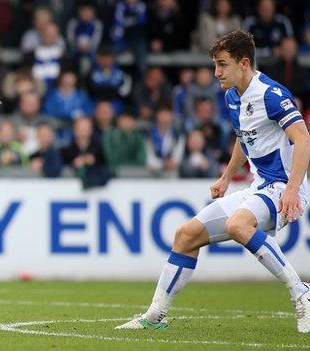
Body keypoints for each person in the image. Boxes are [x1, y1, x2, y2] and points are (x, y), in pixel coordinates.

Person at [115, 30, 310, 333]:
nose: (217, 73)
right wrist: (226, 176)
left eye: (222, 65)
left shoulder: (271, 95)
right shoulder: (233, 96)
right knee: (186, 234)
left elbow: (303, 138)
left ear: (244, 63)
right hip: (259, 187)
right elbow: (244, 138)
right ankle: (154, 317)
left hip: (284, 187)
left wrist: (294, 190)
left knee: (237, 225)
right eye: (215, 65)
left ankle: (301, 293)